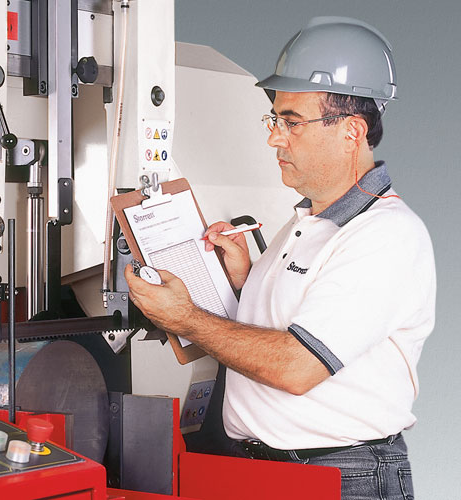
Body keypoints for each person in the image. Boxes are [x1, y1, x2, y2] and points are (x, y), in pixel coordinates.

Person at [124, 17, 434, 499]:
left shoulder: (385, 235)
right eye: (274, 120)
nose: (274, 138)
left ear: (352, 132)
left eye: (291, 123)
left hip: (341, 477)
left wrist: (185, 316)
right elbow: (294, 321)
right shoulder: (306, 222)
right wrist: (245, 280)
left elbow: (296, 366)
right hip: (268, 471)